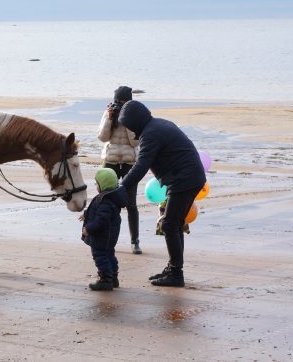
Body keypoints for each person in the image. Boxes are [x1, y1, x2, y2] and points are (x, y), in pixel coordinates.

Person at [118, 100, 206, 288]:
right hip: (190, 177)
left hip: (185, 179)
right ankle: (174, 268)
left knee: (169, 224)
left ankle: (176, 274)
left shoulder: (151, 134)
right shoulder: (158, 124)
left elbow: (141, 165)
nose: (130, 131)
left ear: (135, 122)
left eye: (129, 125)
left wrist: (122, 187)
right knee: (175, 223)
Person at [97, 86, 142, 255]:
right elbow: (102, 137)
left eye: (124, 104)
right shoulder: (108, 112)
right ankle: (105, 238)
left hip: (130, 162)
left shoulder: (135, 115)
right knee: (106, 201)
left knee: (131, 204)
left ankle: (134, 241)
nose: (120, 106)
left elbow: (135, 143)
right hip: (110, 160)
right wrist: (110, 118)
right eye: (118, 103)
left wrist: (128, 121)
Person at [80, 167, 125, 291]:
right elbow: (97, 212)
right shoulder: (110, 198)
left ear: (103, 184)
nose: (96, 186)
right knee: (110, 255)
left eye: (97, 183)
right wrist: (86, 214)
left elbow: (101, 220)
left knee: (100, 256)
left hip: (102, 236)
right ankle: (113, 277)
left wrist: (89, 229)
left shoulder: (105, 200)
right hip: (109, 236)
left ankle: (105, 279)